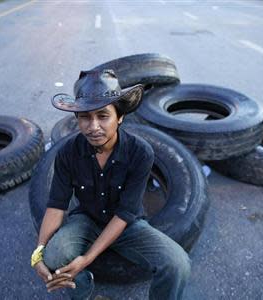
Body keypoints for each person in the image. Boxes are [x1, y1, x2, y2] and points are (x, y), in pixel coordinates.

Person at [31, 69, 191, 299]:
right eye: (85, 117)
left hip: (128, 225)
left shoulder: (140, 152)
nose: (93, 126)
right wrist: (38, 253)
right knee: (53, 256)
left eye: (103, 116)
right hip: (85, 219)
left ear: (120, 117)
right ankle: (85, 293)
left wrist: (87, 258)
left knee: (177, 264)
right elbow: (56, 206)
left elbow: (125, 213)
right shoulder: (68, 152)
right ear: (77, 119)